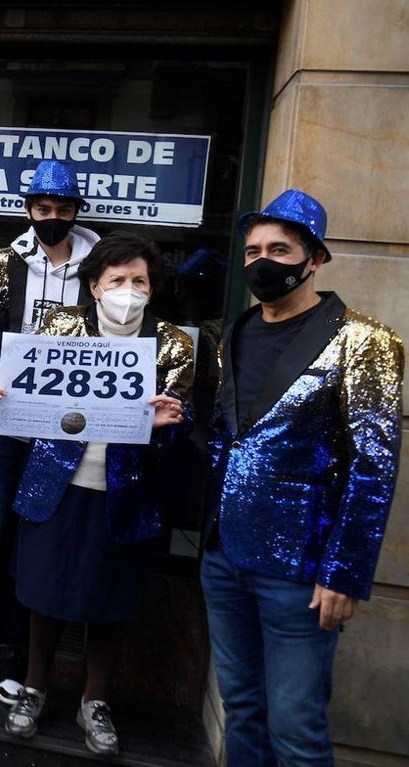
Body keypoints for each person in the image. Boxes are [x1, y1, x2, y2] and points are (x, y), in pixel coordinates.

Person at [202, 189, 403, 765]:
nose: (262, 262)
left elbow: (373, 465)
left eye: (279, 250)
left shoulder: (364, 341)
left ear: (314, 259)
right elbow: (231, 436)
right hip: (224, 557)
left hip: (300, 571)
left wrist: (344, 572)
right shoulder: (235, 332)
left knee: (295, 731)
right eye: (253, 251)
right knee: (242, 708)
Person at [0, 231, 193, 755]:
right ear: (94, 286)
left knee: (111, 599)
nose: (128, 290)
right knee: (43, 591)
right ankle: (33, 688)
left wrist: (169, 424)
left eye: (139, 281)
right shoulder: (61, 324)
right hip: (56, 483)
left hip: (124, 492)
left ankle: (95, 701)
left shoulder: (173, 345)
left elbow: (182, 425)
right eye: (117, 280)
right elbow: (12, 369)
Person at [0, 159, 101, 707]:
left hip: (63, 432)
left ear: (76, 210)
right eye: (43, 209)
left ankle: (13, 654)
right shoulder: (0, 264)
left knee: (31, 545)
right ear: (28, 209)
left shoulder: (99, 269)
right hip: (2, 424)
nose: (52, 218)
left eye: (62, 209)